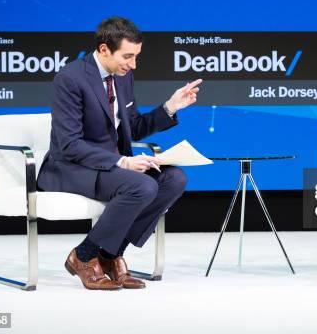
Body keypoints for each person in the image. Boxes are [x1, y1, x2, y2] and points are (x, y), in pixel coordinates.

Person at [37, 16, 202, 290]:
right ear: (104, 50)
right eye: (127, 56)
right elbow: (69, 145)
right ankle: (84, 254)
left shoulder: (123, 77)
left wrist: (170, 108)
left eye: (136, 56)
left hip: (111, 167)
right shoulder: (70, 78)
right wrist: (122, 161)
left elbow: (133, 129)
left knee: (175, 179)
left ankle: (110, 253)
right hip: (71, 168)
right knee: (142, 186)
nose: (133, 64)